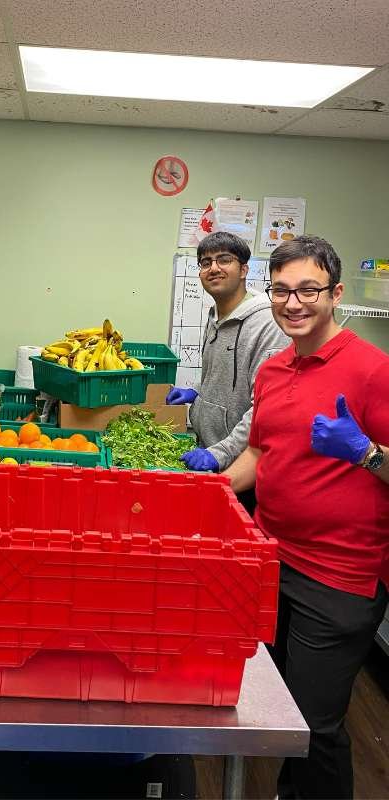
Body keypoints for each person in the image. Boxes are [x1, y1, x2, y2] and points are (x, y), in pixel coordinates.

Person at [224, 235, 389, 800]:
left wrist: (366, 453)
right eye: (282, 291)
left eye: (308, 291)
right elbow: (260, 452)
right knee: (276, 705)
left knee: (316, 726)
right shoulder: (272, 371)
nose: (293, 304)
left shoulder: (373, 370)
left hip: (339, 575)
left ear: (336, 293)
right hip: (272, 562)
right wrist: (211, 491)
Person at [166, 232, 289, 513]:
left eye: (224, 260)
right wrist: (196, 390)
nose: (213, 268)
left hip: (241, 468)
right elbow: (218, 371)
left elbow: (264, 408)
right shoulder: (215, 316)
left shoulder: (268, 325)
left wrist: (218, 454)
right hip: (207, 448)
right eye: (205, 262)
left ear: (244, 269)